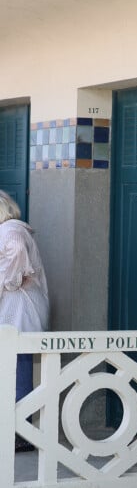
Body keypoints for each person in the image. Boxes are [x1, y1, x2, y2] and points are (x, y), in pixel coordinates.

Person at [0, 190, 50, 452]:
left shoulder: (10, 230)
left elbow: (16, 257)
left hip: (19, 309)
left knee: (18, 368)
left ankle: (21, 433)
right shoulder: (13, 228)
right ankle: (16, 429)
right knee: (14, 367)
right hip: (17, 307)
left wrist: (7, 279)